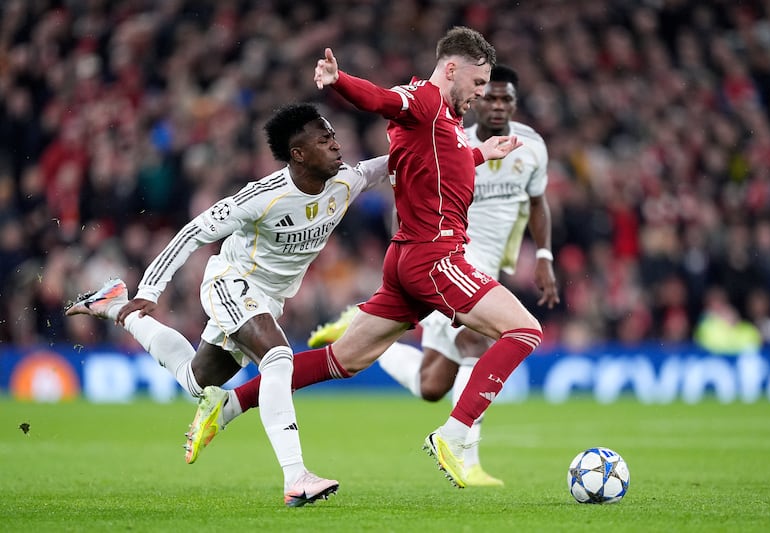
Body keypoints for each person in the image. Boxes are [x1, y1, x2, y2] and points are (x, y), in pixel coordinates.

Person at [188, 26, 544, 490]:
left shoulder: (443, 123)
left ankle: (228, 405)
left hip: (408, 260)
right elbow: (382, 100)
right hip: (433, 257)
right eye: (478, 84)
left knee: (343, 360)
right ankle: (455, 436)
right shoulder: (426, 100)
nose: (480, 95)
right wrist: (340, 81)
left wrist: (478, 154)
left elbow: (427, 166)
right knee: (524, 330)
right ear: (451, 69)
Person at [66, 103, 392, 507]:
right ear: (299, 153)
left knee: (196, 380)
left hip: (269, 298)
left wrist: (454, 148)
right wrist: (150, 289)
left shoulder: (346, 181)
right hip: (231, 282)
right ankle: (296, 476)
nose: (336, 145)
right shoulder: (262, 197)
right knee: (278, 358)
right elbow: (192, 232)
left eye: (334, 137)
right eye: (324, 139)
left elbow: (389, 164)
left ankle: (113, 306)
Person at [307, 64, 560, 487]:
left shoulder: (507, 142)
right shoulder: (432, 115)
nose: (491, 100)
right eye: (484, 90)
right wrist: (340, 81)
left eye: (502, 97)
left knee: (431, 384)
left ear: (515, 103)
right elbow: (386, 109)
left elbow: (535, 200)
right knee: (497, 335)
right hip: (448, 257)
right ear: (462, 80)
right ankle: (462, 447)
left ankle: (366, 330)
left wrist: (545, 254)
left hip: (458, 258)